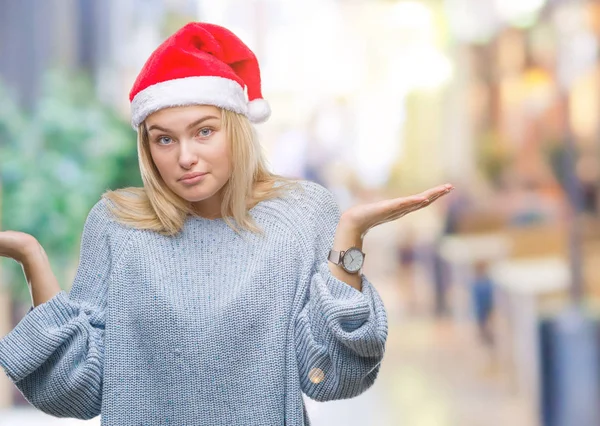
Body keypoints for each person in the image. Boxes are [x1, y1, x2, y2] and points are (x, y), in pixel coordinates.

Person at [0, 22, 454, 425]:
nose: (185, 157)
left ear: (236, 127)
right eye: (164, 139)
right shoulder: (118, 224)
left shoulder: (301, 213)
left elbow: (331, 378)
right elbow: (77, 391)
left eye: (204, 131)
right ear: (147, 146)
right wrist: (30, 255)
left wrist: (350, 239)